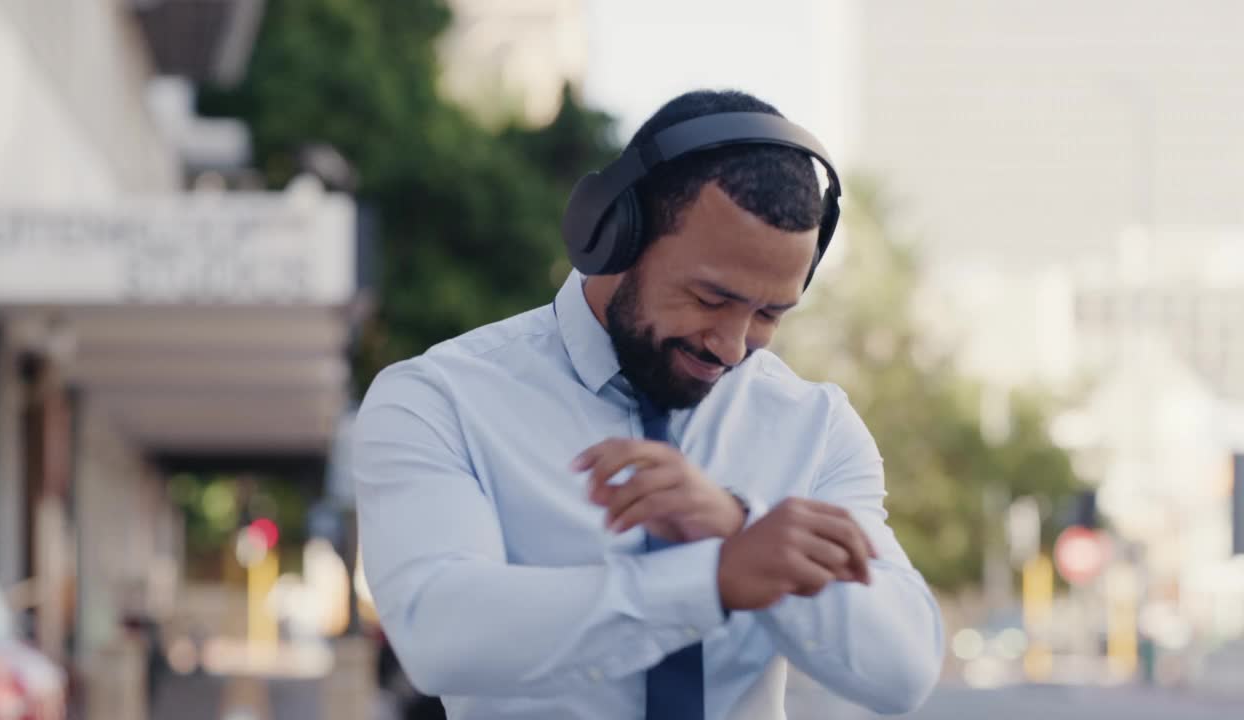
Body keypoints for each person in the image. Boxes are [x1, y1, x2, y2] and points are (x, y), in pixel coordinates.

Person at [354, 89, 944, 720]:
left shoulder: (815, 427)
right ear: (612, 236)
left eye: (770, 312)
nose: (733, 344)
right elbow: (440, 634)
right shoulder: (439, 399)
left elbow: (901, 670)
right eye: (711, 298)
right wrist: (711, 579)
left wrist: (738, 525)